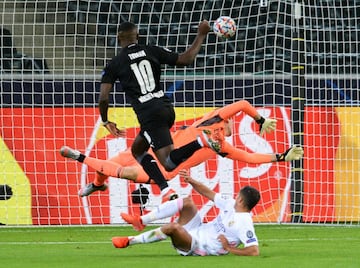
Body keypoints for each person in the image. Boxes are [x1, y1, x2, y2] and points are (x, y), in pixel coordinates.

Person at [60, 99, 302, 195]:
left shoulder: (222, 147)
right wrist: (259, 119)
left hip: (166, 170)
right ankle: (98, 185)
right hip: (159, 148)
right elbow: (242, 104)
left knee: (127, 172)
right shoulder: (213, 118)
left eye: (228, 123)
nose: (228, 122)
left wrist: (280, 156)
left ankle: (78, 156)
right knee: (115, 162)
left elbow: (250, 158)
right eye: (228, 120)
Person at [96, 20, 222, 203]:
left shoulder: (114, 64)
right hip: (166, 109)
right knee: (138, 149)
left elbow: (104, 98)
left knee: (170, 163)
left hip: (149, 114)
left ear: (118, 38)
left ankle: (200, 141)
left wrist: (106, 120)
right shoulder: (151, 50)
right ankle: (165, 189)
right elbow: (187, 59)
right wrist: (201, 34)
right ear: (137, 36)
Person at [112, 169, 260, 256]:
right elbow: (208, 192)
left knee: (173, 228)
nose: (235, 198)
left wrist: (229, 248)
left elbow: (254, 250)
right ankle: (141, 221)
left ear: (240, 201)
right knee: (187, 202)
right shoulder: (229, 204)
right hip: (197, 229)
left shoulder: (244, 222)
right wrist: (191, 180)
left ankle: (130, 240)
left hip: (198, 246)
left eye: (238, 196)